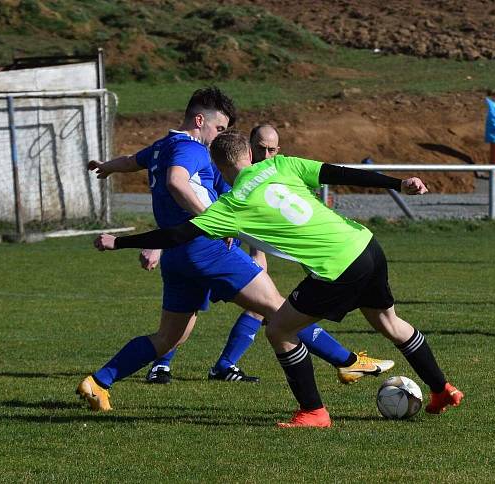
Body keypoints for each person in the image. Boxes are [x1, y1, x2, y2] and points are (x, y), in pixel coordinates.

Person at [93, 130, 464, 427]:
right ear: (251, 156)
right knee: (391, 323)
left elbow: (176, 235)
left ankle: (313, 412)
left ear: (218, 168)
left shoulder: (232, 204)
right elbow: (337, 172)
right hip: (364, 244)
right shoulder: (282, 165)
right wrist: (397, 184)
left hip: (336, 266)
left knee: (280, 330)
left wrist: (119, 242)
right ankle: (441, 388)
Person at [78, 89, 393, 411]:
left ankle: (99, 381)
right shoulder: (192, 149)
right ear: (199, 121)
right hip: (206, 249)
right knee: (279, 309)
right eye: (219, 129)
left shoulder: (162, 145)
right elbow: (176, 181)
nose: (220, 138)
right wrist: (211, 221)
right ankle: (347, 361)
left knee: (168, 338)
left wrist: (109, 167)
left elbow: (132, 162)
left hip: (178, 257)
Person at [137, 123, 383, 385]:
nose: (266, 156)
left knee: (262, 308)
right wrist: (159, 245)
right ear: (248, 150)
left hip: (222, 249)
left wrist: (258, 253)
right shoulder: (225, 171)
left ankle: (221, 365)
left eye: (272, 150)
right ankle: (347, 362)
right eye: (261, 149)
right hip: (209, 250)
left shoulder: (269, 173)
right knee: (268, 308)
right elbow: (188, 208)